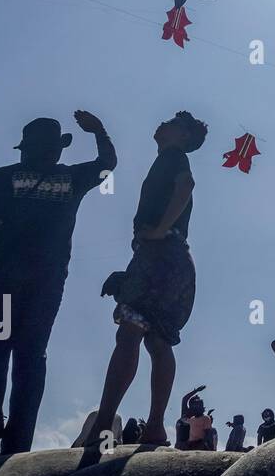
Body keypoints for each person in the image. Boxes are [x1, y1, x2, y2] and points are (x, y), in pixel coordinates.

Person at [0, 112, 116, 474]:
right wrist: (99, 131)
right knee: (31, 359)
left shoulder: (1, 177)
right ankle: (18, 446)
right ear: (57, 149)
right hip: (46, 281)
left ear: (25, 149)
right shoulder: (72, 178)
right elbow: (108, 163)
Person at [87, 111, 207, 449]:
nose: (162, 123)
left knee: (130, 332)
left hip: (159, 251)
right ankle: (154, 426)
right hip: (174, 259)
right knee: (159, 340)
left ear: (183, 135)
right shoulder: (170, 158)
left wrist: (157, 230)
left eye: (171, 122)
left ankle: (103, 423)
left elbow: (186, 186)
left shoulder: (173, 156)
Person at [177, 386, 216, 451]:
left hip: (195, 444)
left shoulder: (200, 417)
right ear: (191, 405)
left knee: (213, 431)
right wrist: (196, 390)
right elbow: (184, 399)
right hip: (183, 444)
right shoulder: (186, 413)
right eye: (196, 403)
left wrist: (208, 417)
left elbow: (204, 429)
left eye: (199, 405)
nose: (198, 406)